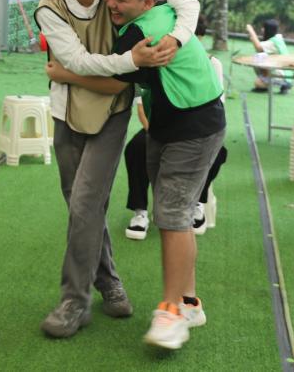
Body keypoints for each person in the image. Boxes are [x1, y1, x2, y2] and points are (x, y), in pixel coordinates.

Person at [34, 0, 199, 340]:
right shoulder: (50, 5)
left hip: (112, 110)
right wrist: (132, 61)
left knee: (85, 203)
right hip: (65, 111)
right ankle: (109, 282)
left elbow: (188, 4)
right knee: (81, 207)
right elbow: (78, 61)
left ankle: (74, 302)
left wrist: (177, 40)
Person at [66, 0, 225, 351]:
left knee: (172, 217)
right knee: (175, 215)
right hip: (168, 123)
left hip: (194, 127)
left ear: (148, 1)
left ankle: (171, 312)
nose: (111, 4)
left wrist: (62, 72)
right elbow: (187, 4)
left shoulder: (140, 33)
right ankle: (189, 303)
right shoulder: (161, 7)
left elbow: (111, 79)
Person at [54, 16, 227, 241]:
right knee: (136, 149)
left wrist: (66, 75)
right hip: (156, 125)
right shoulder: (149, 51)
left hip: (195, 129)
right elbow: (139, 105)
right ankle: (140, 210)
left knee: (210, 163)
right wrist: (151, 131)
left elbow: (216, 104)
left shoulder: (211, 63)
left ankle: (197, 202)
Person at [246, 18, 291, 93]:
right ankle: (267, 80)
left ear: (268, 29)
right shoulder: (277, 38)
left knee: (258, 58)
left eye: (264, 28)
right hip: (284, 72)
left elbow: (258, 47)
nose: (262, 29)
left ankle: (274, 83)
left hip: (282, 74)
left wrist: (251, 31)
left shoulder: (273, 42)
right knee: (259, 57)